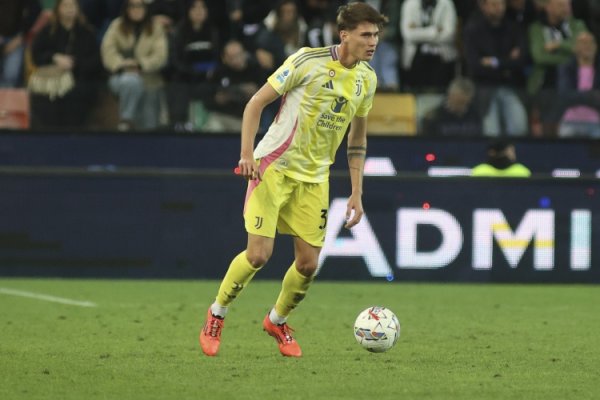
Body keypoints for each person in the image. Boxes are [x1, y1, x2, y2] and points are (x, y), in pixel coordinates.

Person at [199, 2, 386, 358]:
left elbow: (357, 139)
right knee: (258, 255)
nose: (373, 42)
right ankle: (217, 314)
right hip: (273, 167)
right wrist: (246, 154)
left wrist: (356, 192)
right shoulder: (307, 61)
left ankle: (277, 320)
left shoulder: (367, 79)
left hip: (315, 178)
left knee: (308, 265)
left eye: (375, 35)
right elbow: (255, 104)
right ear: (344, 35)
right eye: (365, 35)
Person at [29, 0, 101, 129]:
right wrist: (54, 58)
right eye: (65, 5)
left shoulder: (87, 32)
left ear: (78, 9)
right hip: (51, 78)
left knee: (77, 94)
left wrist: (74, 64)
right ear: (58, 9)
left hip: (80, 79)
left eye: (73, 5)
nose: (69, 9)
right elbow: (36, 55)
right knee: (43, 97)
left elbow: (95, 62)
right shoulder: (47, 31)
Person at [463, 0, 529, 137]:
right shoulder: (473, 30)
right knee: (491, 131)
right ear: (483, 6)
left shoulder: (514, 28)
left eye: (501, 4)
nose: (498, 8)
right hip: (484, 88)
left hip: (511, 86)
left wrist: (493, 61)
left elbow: (521, 61)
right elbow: (475, 65)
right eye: (493, 4)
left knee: (519, 128)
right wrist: (507, 61)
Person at [100, 0, 168, 131]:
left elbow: (161, 56)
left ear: (146, 9)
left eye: (140, 6)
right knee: (131, 81)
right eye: (132, 6)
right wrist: (122, 64)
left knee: (149, 124)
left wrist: (140, 64)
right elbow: (107, 51)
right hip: (121, 76)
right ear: (126, 9)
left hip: (149, 78)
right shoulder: (116, 25)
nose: (136, 9)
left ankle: (142, 130)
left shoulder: (156, 27)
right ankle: (126, 120)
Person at [556, 31, 600, 138]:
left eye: (590, 42)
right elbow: (565, 95)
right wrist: (592, 96)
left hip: (596, 123)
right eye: (583, 42)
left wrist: (578, 96)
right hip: (570, 122)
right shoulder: (566, 68)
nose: (587, 46)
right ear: (575, 47)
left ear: (596, 47)